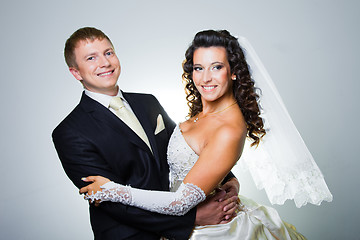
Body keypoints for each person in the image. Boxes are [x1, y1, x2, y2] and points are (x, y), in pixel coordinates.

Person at [81, 30, 332, 239]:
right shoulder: (202, 113)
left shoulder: (229, 128)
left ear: (233, 71)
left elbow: (180, 203)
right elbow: (200, 158)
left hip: (212, 228)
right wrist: (228, 178)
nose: (206, 78)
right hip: (178, 224)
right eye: (199, 68)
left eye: (217, 67)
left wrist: (112, 190)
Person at [52, 27, 240, 240]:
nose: (104, 63)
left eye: (108, 53)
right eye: (91, 58)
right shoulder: (70, 132)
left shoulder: (147, 102)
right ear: (75, 72)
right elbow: (108, 200)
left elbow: (184, 148)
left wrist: (228, 178)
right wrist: (191, 219)